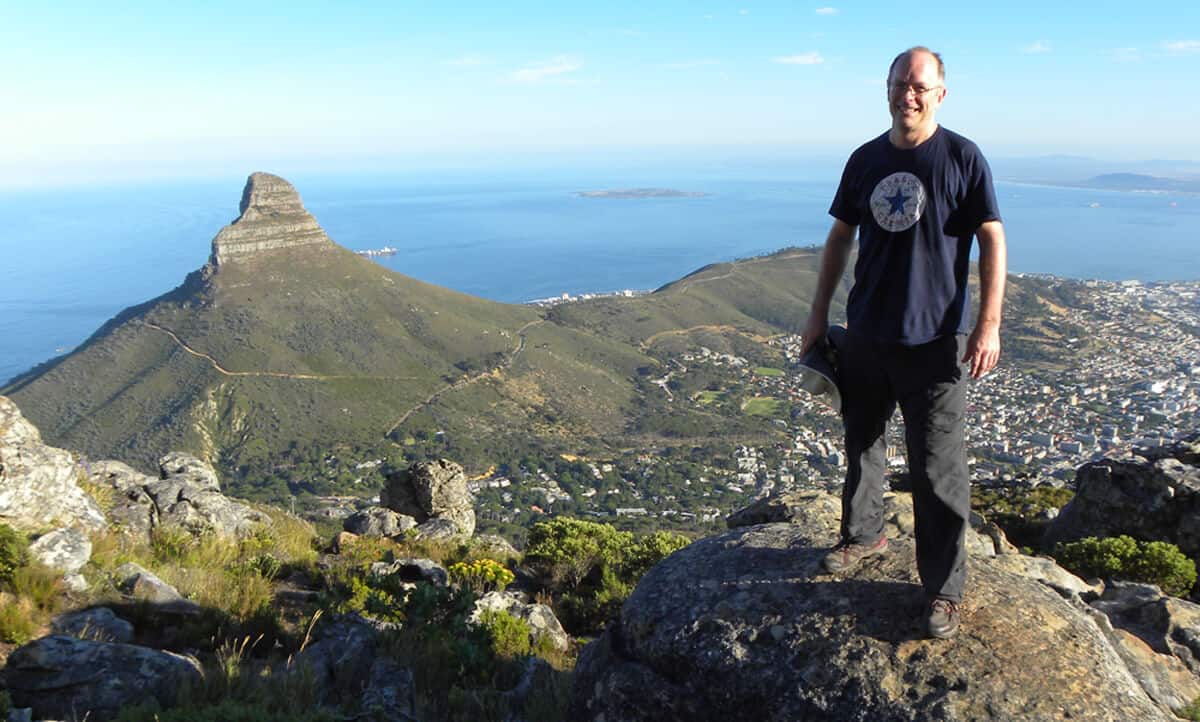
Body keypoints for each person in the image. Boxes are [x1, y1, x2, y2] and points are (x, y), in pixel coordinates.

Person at [800, 46, 1007, 640]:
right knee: (861, 442)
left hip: (935, 343)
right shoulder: (865, 159)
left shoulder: (962, 158)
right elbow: (840, 236)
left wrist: (988, 324)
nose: (907, 94)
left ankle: (944, 590)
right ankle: (863, 536)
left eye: (919, 85)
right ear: (886, 88)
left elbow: (992, 240)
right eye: (899, 84)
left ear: (941, 92)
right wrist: (819, 313)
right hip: (867, 334)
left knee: (938, 469)